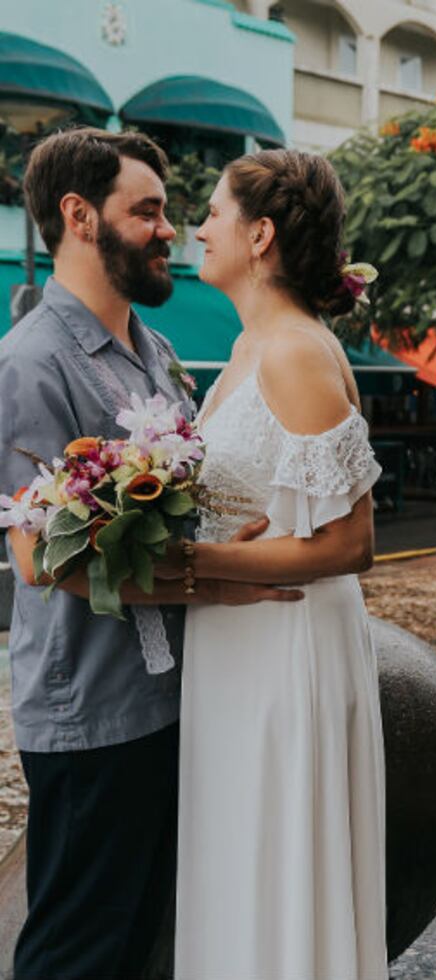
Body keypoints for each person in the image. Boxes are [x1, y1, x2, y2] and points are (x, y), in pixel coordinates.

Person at [0, 127, 305, 979]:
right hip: (92, 709)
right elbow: (39, 560)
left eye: (171, 213)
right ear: (79, 216)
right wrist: (224, 582)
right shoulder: (27, 367)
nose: (170, 229)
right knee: (78, 949)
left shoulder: (158, 354)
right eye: (148, 212)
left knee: (143, 945)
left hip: (176, 695)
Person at [167, 149, 387, 978]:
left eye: (213, 212)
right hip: (234, 644)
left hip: (285, 645)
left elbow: (351, 541)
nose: (198, 228)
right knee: (236, 866)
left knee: (280, 863)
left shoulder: (295, 350)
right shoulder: (246, 347)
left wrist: (200, 561)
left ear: (259, 235)